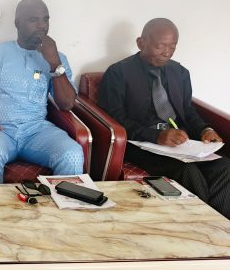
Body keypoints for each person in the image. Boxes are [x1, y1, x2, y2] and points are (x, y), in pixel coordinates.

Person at [97, 18, 229, 220]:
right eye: (160, 46)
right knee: (188, 171)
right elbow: (115, 118)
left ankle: (219, 227)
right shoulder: (118, 73)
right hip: (141, 144)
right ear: (141, 43)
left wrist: (205, 129)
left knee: (225, 167)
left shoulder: (180, 73)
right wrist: (156, 136)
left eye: (172, 47)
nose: (167, 53)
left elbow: (187, 110)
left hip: (181, 144)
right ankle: (200, 223)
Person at [0, 0, 84, 183]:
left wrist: (54, 63)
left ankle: (64, 202)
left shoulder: (57, 58)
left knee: (72, 153)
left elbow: (66, 104)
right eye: (33, 20)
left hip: (37, 131)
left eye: (46, 20)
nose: (41, 26)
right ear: (17, 23)